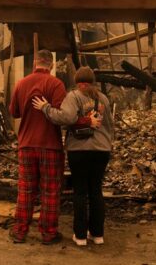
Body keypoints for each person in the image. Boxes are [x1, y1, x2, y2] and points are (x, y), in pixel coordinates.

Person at [32, 66, 113, 247]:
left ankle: (81, 236)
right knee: (96, 191)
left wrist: (45, 108)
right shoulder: (104, 99)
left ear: (77, 82)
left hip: (79, 150)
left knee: (80, 191)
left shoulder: (74, 96)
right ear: (92, 81)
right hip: (102, 150)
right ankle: (98, 235)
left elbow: (66, 118)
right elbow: (110, 126)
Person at [7, 49, 67, 244]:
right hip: (50, 145)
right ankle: (49, 233)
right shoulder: (56, 84)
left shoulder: (21, 83)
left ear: (35, 63)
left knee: (26, 189)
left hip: (26, 144)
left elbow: (14, 112)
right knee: (50, 190)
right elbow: (61, 116)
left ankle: (19, 231)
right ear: (51, 64)